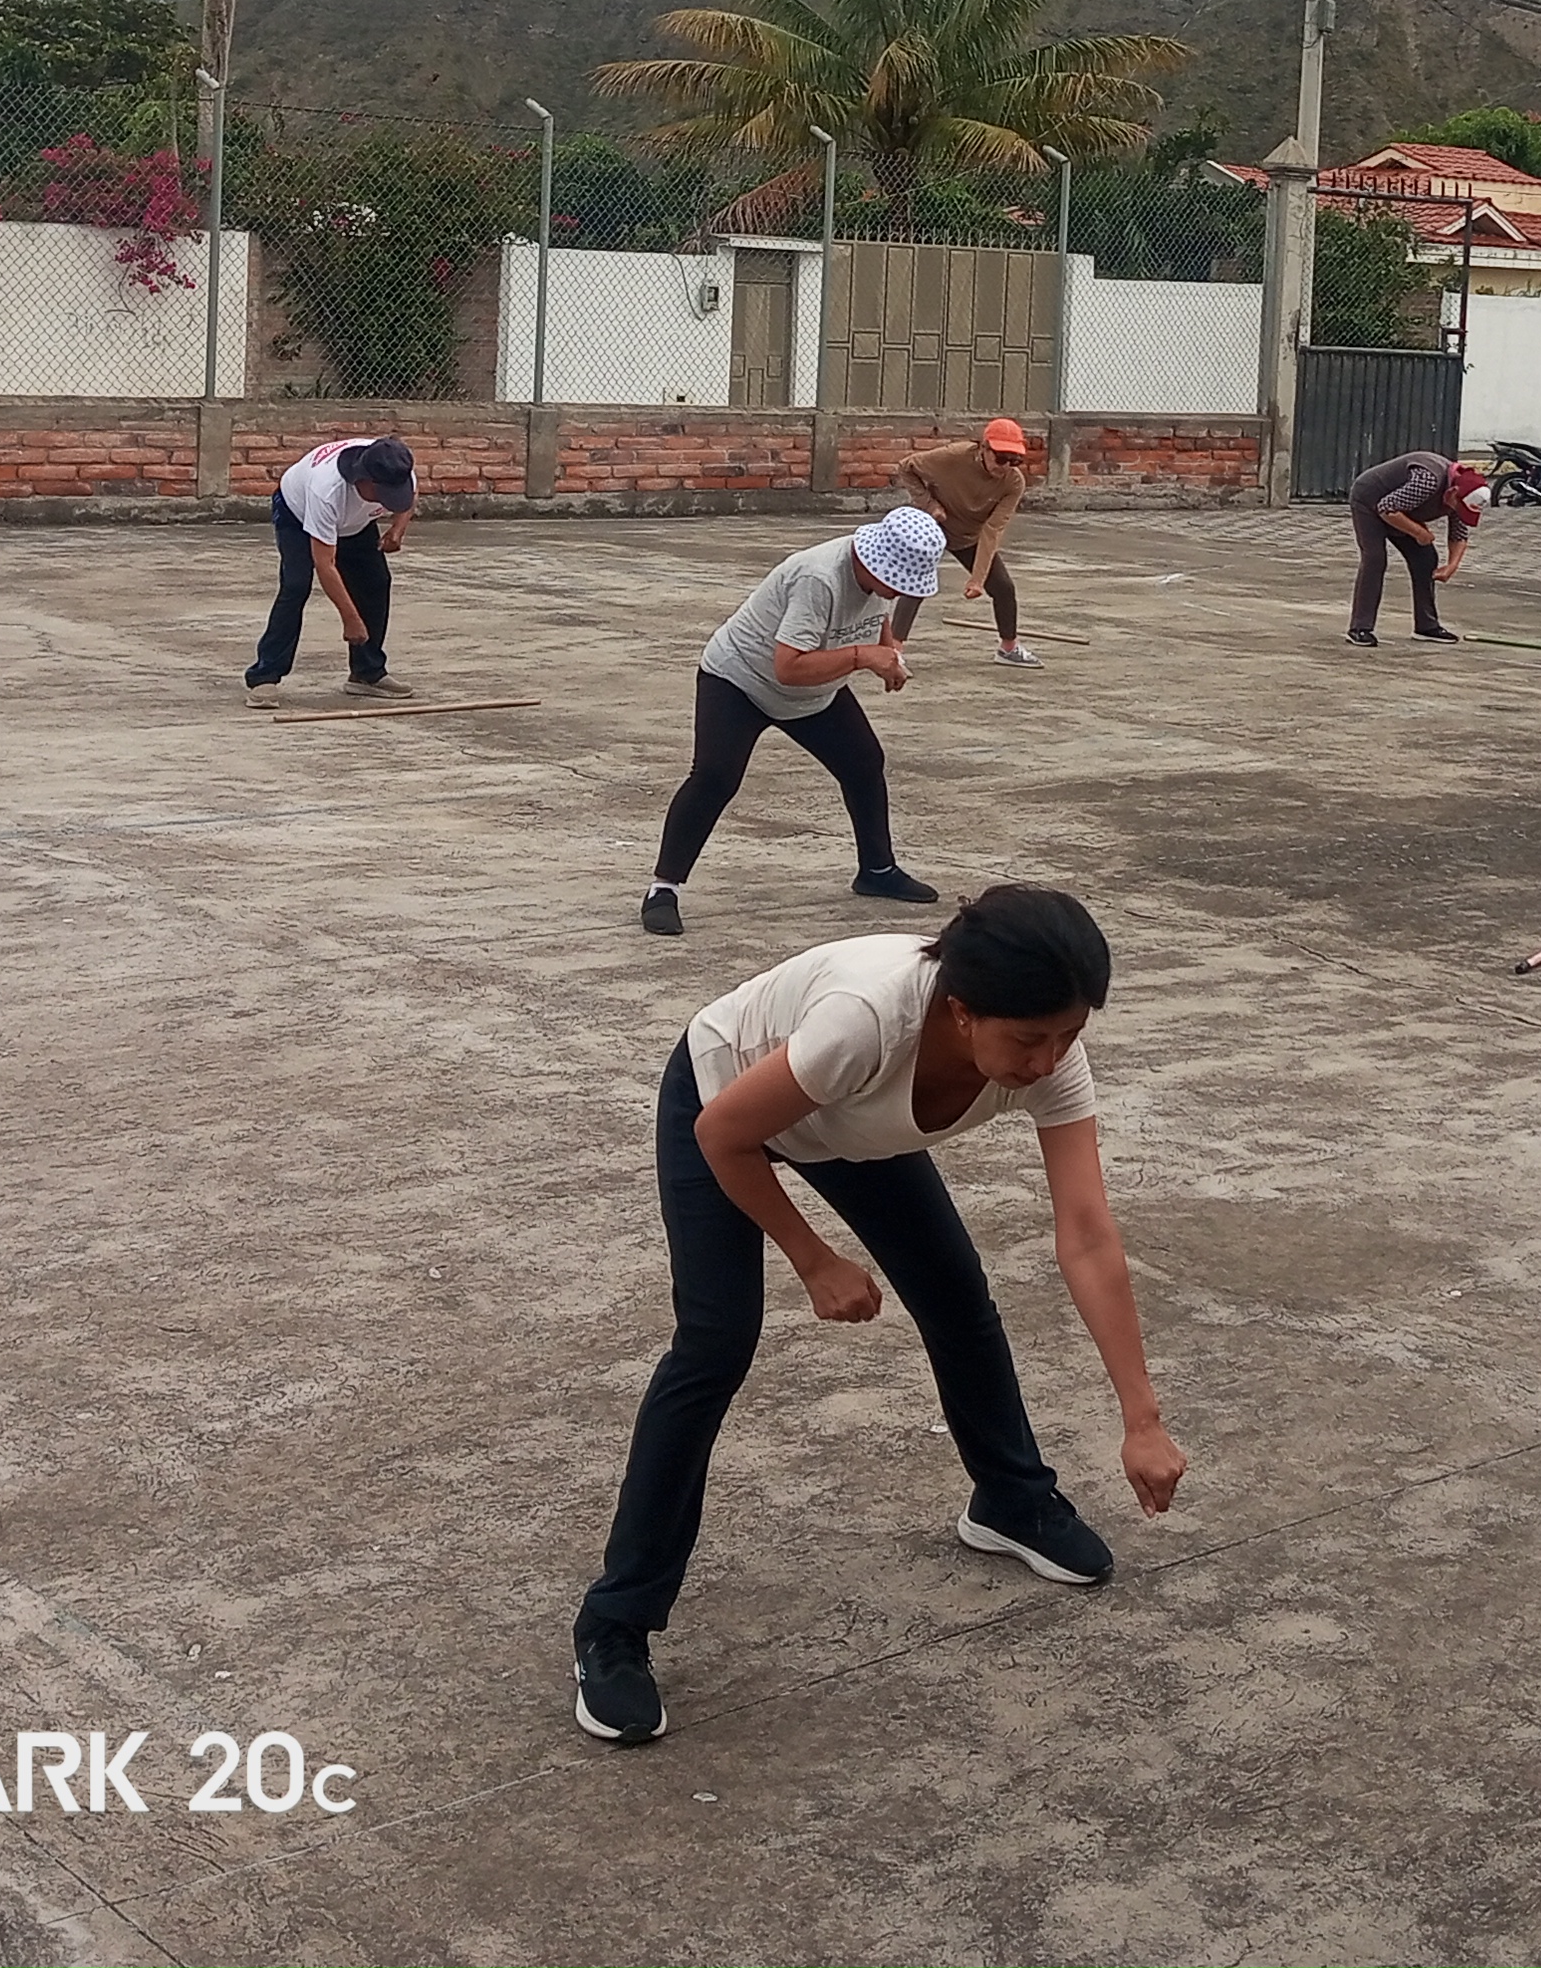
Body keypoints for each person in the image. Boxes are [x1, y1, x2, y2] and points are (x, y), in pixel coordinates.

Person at [570, 886, 1185, 1746]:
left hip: (850, 1122)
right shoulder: (866, 1021)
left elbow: (1086, 1235)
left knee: (957, 1297)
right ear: (962, 1013)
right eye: (1029, 1041)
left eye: (1069, 1035)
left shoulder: (1048, 1056)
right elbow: (723, 1135)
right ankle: (615, 1624)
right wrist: (813, 1259)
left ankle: (1011, 1502)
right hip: (728, 1101)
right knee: (716, 1343)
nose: (1049, 1060)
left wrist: (1142, 1418)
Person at [642, 508, 953, 936]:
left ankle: (877, 870)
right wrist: (864, 657)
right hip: (740, 680)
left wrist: (889, 655)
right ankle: (663, 889)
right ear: (873, 560)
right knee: (715, 777)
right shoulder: (818, 578)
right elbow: (788, 667)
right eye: (897, 582)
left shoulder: (877, 575)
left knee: (863, 763)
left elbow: (875, 612)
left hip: (814, 692)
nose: (900, 592)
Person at [244, 435, 420, 692]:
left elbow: (411, 494)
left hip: (354, 522)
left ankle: (366, 674)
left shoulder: (397, 468)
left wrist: (397, 529)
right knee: (296, 586)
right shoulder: (327, 491)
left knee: (376, 582)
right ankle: (265, 676)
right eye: (384, 495)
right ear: (364, 479)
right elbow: (325, 564)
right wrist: (350, 619)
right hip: (297, 513)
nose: (388, 502)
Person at [886, 416, 1041, 666]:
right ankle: (893, 651)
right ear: (984, 448)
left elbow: (993, 529)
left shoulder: (1013, 483)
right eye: (1000, 458)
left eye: (1014, 461)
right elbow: (906, 468)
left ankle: (1008, 649)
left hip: (969, 535)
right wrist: (929, 504)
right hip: (934, 526)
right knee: (916, 583)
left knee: (1003, 587)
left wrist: (978, 579)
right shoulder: (952, 457)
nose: (1005, 466)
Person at [1347, 450, 1483, 644]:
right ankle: (1360, 627)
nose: (1458, 511)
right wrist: (1419, 532)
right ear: (1453, 493)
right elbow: (1387, 508)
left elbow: (1459, 534)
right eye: (1459, 507)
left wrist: (1452, 566)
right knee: (1375, 559)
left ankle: (1426, 626)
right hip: (1369, 501)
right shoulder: (1428, 480)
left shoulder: (1463, 495)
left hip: (1401, 508)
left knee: (1425, 558)